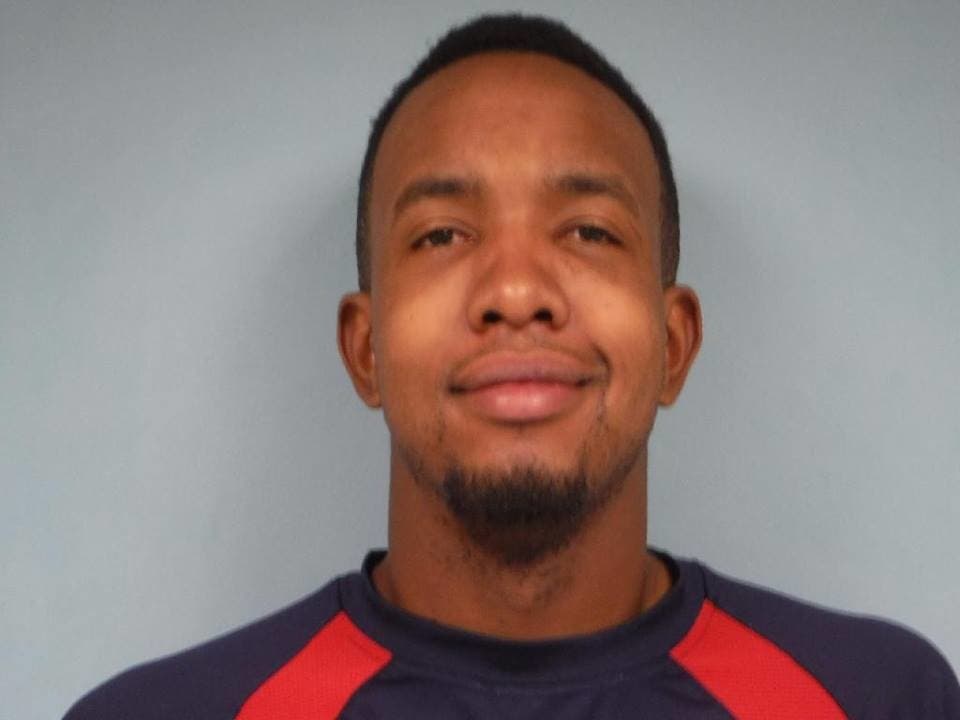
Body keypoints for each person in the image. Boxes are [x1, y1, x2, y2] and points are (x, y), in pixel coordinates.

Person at [64, 13, 958, 719]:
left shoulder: (882, 700)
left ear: (675, 343)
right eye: (442, 235)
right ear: (365, 350)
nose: (518, 291)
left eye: (590, 231)